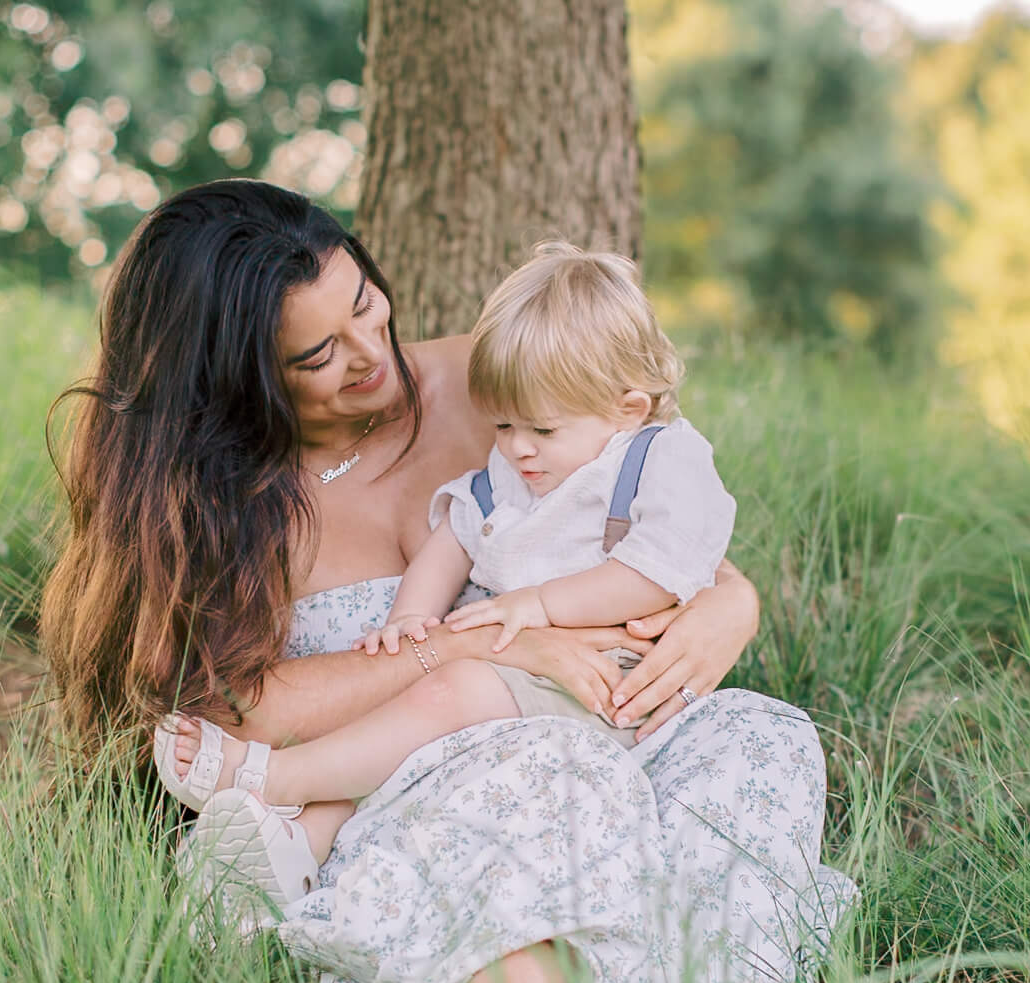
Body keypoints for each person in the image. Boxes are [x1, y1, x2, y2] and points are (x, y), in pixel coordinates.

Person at [42, 181, 853, 983]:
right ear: (233, 379)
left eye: (363, 304)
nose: (367, 353)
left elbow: (646, 530)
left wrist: (733, 602)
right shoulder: (218, 498)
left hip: (585, 716)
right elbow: (241, 707)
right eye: (316, 355)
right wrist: (480, 642)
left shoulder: (495, 383)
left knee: (755, 738)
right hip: (391, 770)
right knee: (550, 777)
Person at [153, 244, 740, 884]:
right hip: (525, 675)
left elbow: (658, 570)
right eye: (503, 427)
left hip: (608, 680)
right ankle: (290, 849)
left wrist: (538, 609)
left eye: (539, 431)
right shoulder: (527, 460)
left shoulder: (659, 459)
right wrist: (411, 619)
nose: (516, 448)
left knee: (448, 695)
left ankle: (270, 778)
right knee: (395, 738)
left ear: (626, 407)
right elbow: (458, 534)